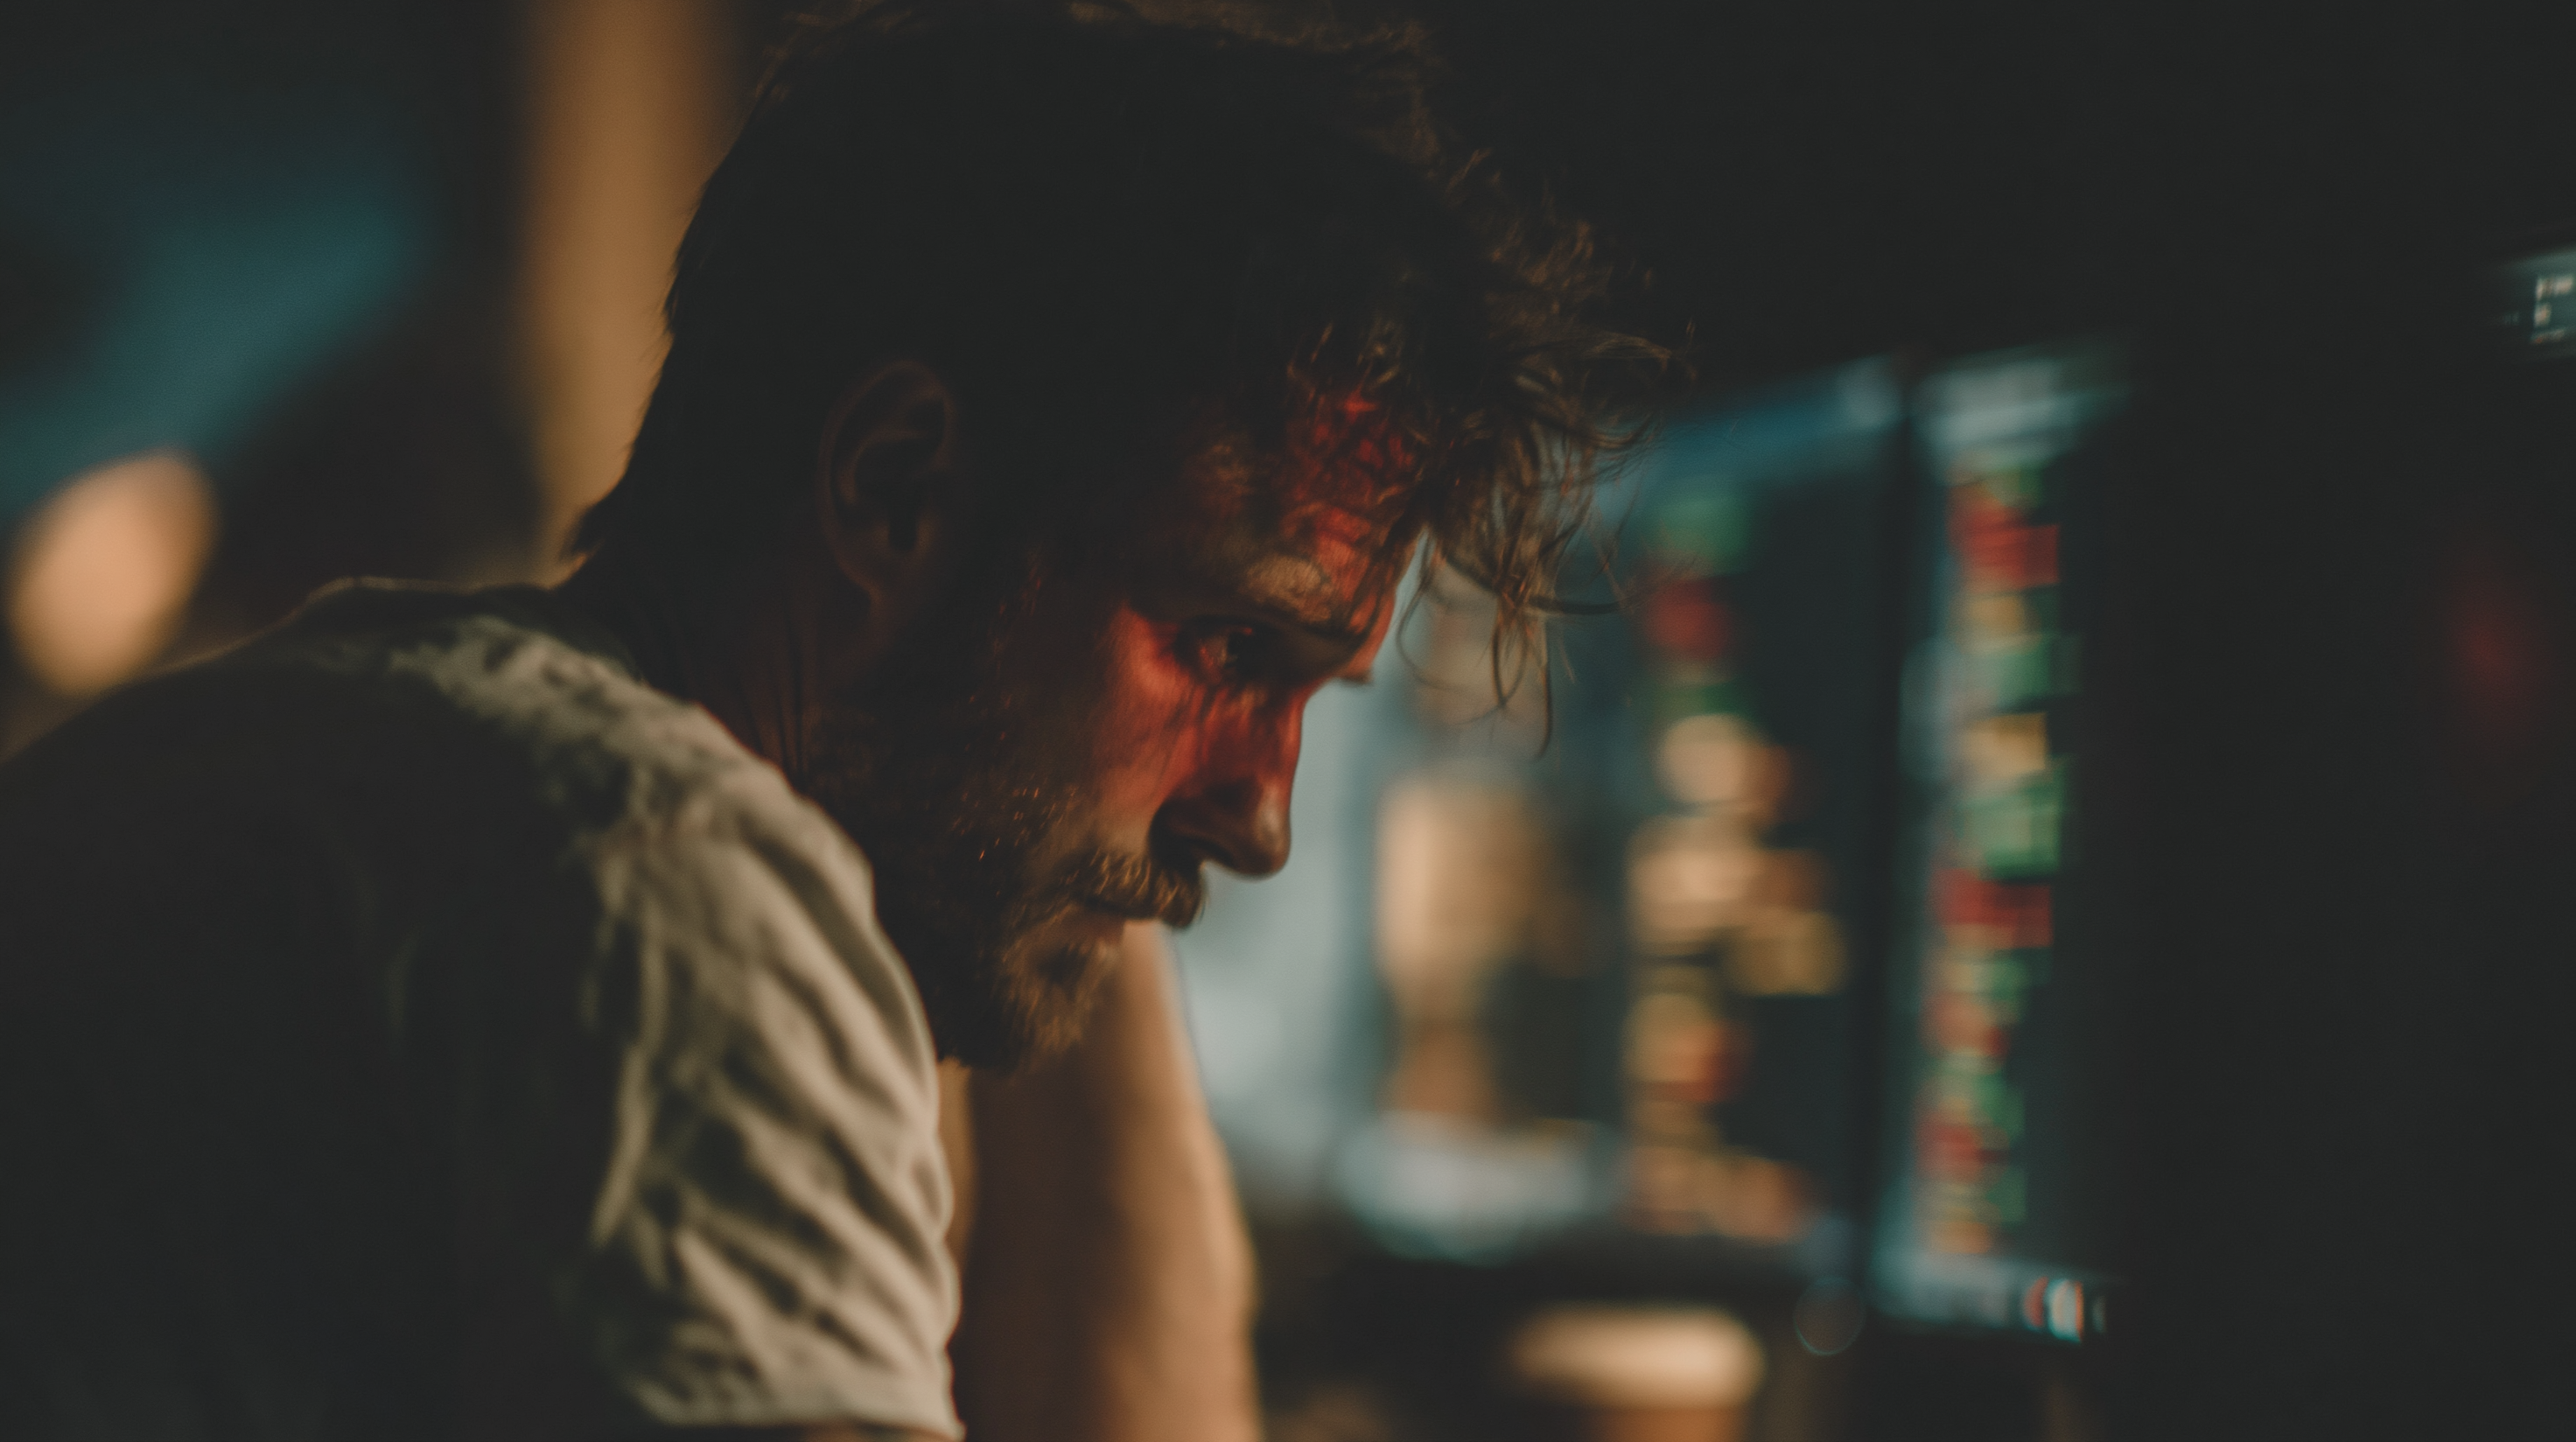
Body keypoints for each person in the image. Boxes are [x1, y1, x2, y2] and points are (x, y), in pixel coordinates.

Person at [0, 3, 1658, 1438]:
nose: (1266, 819)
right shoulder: (660, 899)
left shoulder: (392, 736)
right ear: (893, 486)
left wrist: (1063, 780)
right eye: (1230, 650)